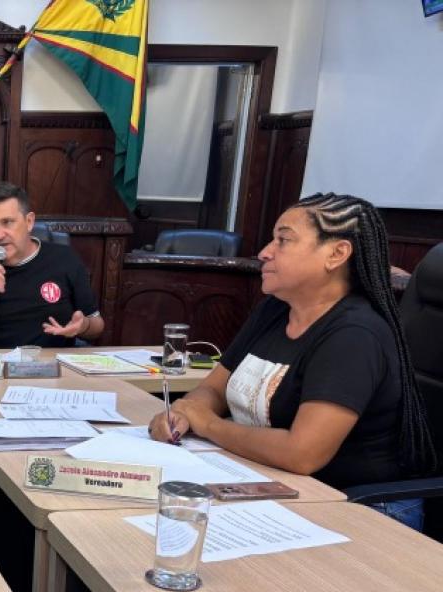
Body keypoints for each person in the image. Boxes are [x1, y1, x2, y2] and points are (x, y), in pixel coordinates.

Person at [149, 193, 436, 529]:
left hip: (361, 509)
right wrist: (185, 413)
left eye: (283, 240)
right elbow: (213, 389)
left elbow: (302, 453)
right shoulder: (274, 310)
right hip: (280, 485)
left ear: (336, 254)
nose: (265, 252)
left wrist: (208, 425)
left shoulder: (355, 334)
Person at [0, 182, 104, 350]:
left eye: (7, 222)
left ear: (29, 222)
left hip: (51, 362)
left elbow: (97, 326)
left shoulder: (65, 259)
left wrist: (84, 326)